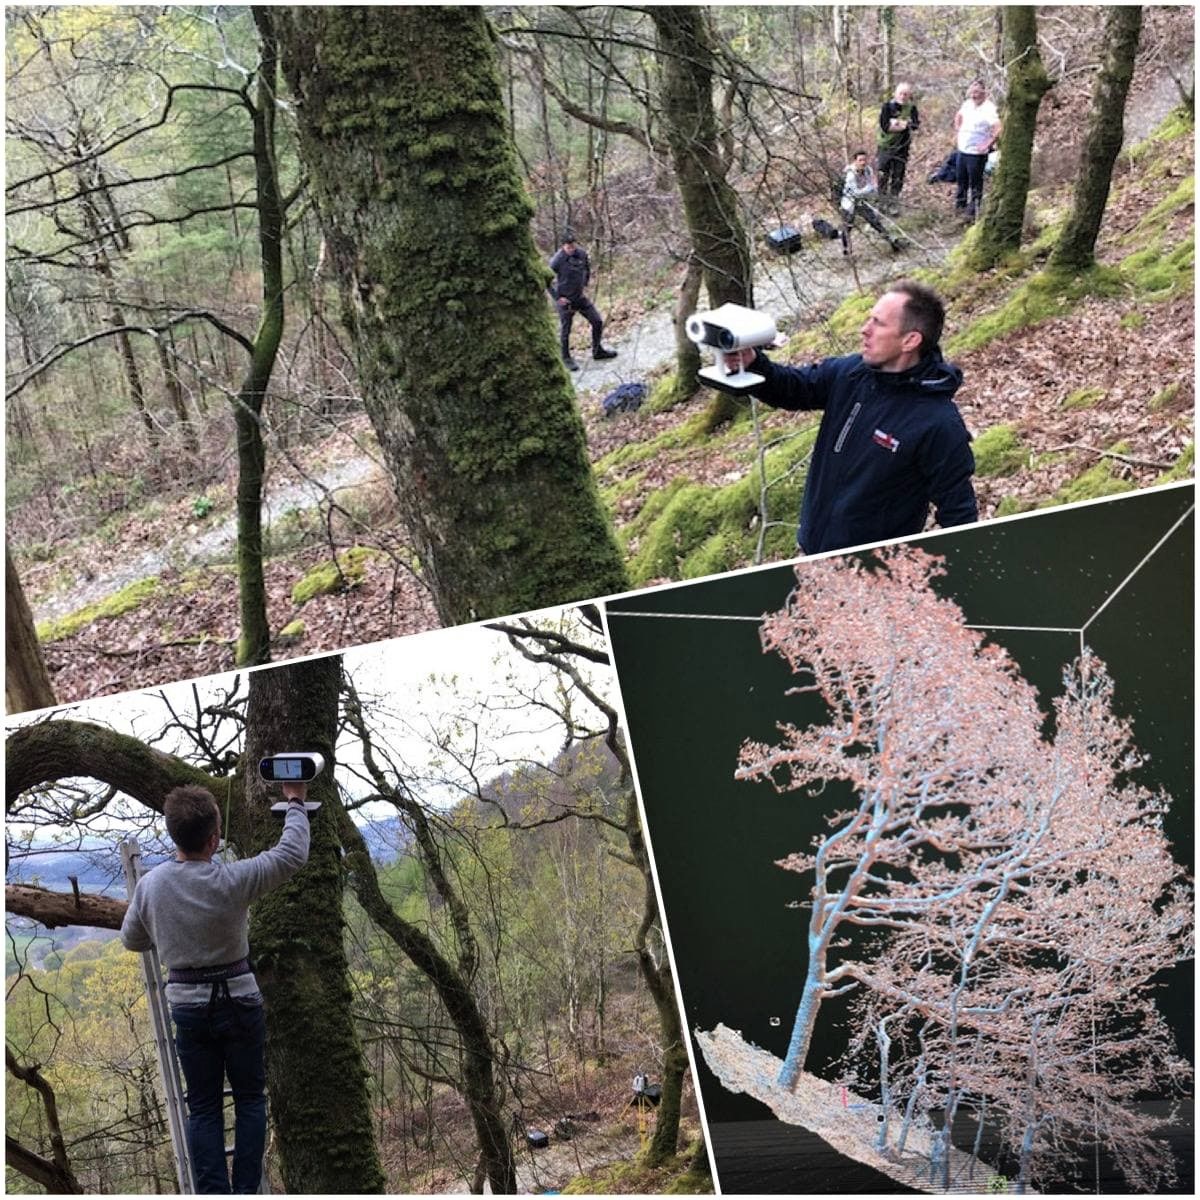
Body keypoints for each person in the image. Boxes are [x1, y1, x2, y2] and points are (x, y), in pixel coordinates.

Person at [121, 781, 311, 1193]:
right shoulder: (234, 879)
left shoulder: (151, 886)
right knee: (250, 1099)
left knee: (203, 1107)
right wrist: (294, 801)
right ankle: (245, 1191)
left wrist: (170, 928)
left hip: (189, 1009)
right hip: (240, 1003)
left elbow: (132, 939)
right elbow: (291, 853)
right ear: (214, 838)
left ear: (175, 834)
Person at [728, 280, 977, 554]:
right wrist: (753, 363)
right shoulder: (852, 373)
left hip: (873, 572)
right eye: (869, 318)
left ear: (910, 340)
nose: (864, 329)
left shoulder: (937, 422)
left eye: (878, 323)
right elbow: (794, 388)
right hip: (812, 553)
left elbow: (959, 515)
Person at [547, 231, 617, 371]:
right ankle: (566, 358)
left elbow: (587, 268)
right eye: (568, 247)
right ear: (563, 246)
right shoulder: (557, 260)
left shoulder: (582, 254)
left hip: (579, 297)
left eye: (573, 245)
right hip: (565, 301)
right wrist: (557, 298)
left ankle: (597, 351)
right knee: (566, 330)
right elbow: (546, 280)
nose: (571, 249)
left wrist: (584, 283)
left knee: (597, 321)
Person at [953, 79, 1002, 221]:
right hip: (962, 149)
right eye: (972, 92)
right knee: (961, 180)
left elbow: (998, 127)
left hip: (976, 152)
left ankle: (973, 211)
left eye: (977, 92)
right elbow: (958, 116)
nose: (974, 95)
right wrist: (958, 130)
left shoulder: (989, 108)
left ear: (983, 93)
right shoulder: (967, 104)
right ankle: (960, 207)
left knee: (975, 182)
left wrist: (987, 143)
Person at [840, 151, 902, 254]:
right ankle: (846, 249)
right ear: (855, 161)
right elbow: (856, 192)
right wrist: (869, 189)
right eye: (860, 160)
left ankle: (893, 242)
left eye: (864, 160)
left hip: (862, 202)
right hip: (849, 203)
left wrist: (873, 194)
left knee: (875, 222)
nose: (863, 162)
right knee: (847, 227)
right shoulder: (850, 174)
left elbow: (871, 185)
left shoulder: (868, 170)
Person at [876, 82, 920, 207]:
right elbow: (885, 127)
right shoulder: (887, 107)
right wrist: (904, 125)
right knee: (883, 175)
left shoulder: (912, 108)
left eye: (906, 94)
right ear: (895, 94)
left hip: (902, 148)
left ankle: (893, 202)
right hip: (885, 147)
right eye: (901, 93)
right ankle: (882, 202)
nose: (903, 96)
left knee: (898, 176)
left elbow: (915, 125)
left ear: (909, 95)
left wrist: (898, 124)